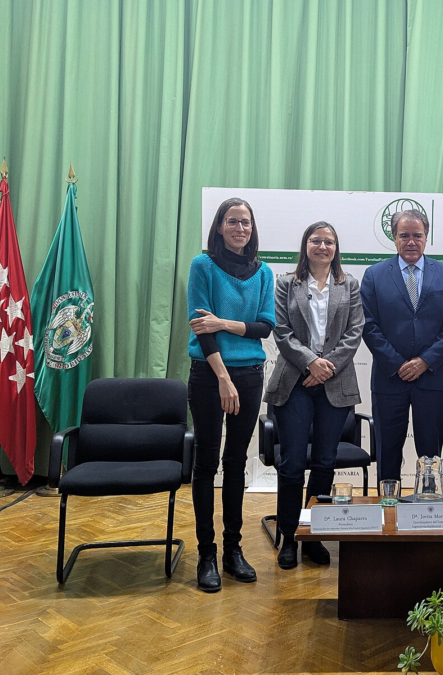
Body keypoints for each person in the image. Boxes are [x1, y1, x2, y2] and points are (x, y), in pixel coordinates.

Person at [187, 197, 275, 593]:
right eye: (232, 221)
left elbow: (264, 328)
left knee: (236, 462)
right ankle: (206, 554)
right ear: (219, 227)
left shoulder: (264, 273)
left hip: (251, 374)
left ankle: (232, 551)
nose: (241, 228)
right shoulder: (202, 265)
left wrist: (222, 321)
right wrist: (223, 378)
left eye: (246, 223)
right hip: (209, 375)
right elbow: (199, 328)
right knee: (207, 464)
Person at [265, 222, 364, 570]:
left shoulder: (348, 285)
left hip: (335, 385)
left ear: (337, 248)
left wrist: (327, 367)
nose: (323, 246)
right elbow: (281, 331)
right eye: (316, 240)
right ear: (305, 245)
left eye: (329, 241)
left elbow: (355, 332)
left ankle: (314, 535)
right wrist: (311, 364)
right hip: (294, 383)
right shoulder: (285, 284)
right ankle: (290, 538)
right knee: (292, 465)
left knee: (324, 462)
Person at [360, 209, 443, 481]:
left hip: (432, 378)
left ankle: (428, 508)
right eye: (404, 235)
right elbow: (369, 325)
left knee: (430, 454)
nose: (411, 241)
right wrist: (397, 364)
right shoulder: (374, 275)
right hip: (389, 378)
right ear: (394, 238)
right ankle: (388, 508)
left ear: (426, 237)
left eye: (417, 235)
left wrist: (425, 361)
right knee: (387, 449)